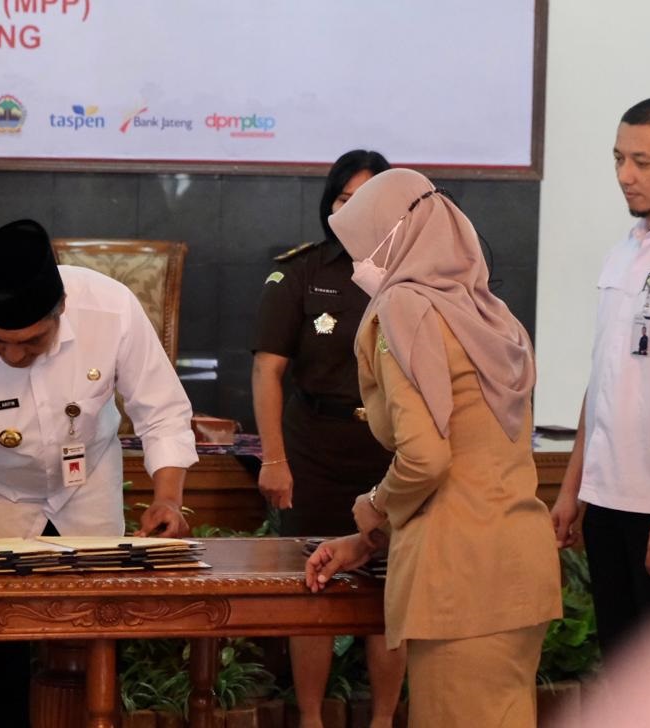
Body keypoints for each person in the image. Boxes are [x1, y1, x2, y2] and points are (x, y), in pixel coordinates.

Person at [0, 219, 198, 726]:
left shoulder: (112, 310)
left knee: (94, 642)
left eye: (31, 342)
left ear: (61, 309)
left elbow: (162, 413)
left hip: (87, 485)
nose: (13, 355)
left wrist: (167, 499)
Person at [305, 168, 562, 727]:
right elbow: (473, 459)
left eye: (363, 245)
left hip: (458, 583)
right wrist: (371, 539)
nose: (357, 264)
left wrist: (375, 505)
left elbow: (427, 457)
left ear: (393, 238)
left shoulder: (405, 308)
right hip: (518, 567)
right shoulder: (491, 314)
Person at [550, 96, 650, 659]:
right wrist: (573, 489)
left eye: (642, 162)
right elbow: (604, 378)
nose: (625, 175)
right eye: (618, 158)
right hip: (608, 502)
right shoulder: (626, 250)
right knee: (624, 672)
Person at [251, 149, 405, 728]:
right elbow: (267, 369)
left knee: (390, 592)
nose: (354, 210)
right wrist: (274, 459)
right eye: (344, 199)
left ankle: (384, 720)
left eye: (368, 200)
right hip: (315, 448)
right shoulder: (302, 271)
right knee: (313, 587)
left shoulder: (414, 272)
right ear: (329, 204)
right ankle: (312, 719)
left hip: (391, 453)